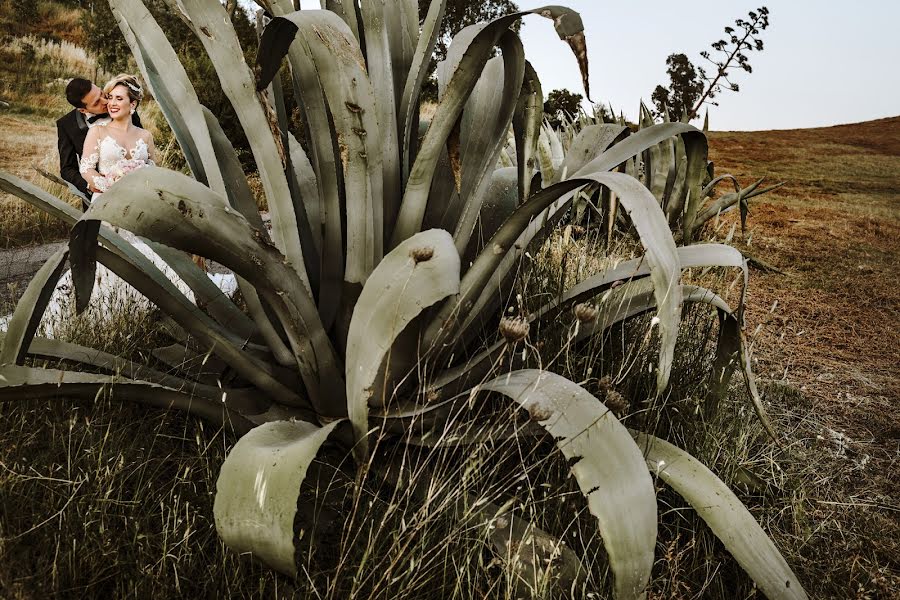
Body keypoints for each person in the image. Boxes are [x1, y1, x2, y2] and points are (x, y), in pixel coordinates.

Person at [56, 76, 141, 208]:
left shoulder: (125, 107)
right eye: (96, 103)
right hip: (99, 200)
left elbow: (142, 145)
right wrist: (91, 185)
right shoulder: (66, 125)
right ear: (83, 110)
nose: (105, 101)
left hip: (136, 192)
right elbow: (67, 169)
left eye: (102, 93)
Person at [78, 73, 156, 201]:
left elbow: (153, 172)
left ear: (132, 104)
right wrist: (110, 188)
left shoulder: (146, 136)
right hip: (106, 200)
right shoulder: (97, 131)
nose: (112, 103)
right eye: (110, 97)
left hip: (140, 201)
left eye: (119, 99)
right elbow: (86, 169)